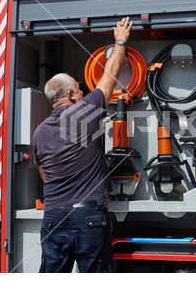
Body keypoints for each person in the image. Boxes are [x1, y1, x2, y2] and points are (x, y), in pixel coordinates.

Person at [32, 17, 133, 273]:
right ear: (70, 95)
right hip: (87, 217)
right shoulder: (83, 112)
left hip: (53, 217)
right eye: (79, 89)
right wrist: (120, 40)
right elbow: (110, 77)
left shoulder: (40, 132)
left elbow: (43, 171)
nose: (83, 93)